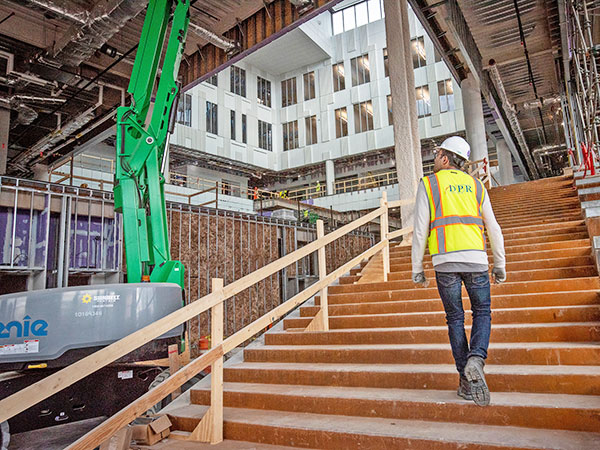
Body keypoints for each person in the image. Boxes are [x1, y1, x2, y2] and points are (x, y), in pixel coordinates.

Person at [411, 136, 506, 407]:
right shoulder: (476, 185)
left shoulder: (429, 184)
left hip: (444, 262)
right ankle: (476, 358)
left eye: (437, 153)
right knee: (482, 312)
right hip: (476, 259)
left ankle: (465, 382)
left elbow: (420, 230)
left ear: (445, 158)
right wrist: (499, 263)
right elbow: (493, 226)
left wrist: (417, 268)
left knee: (455, 318)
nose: (434, 157)